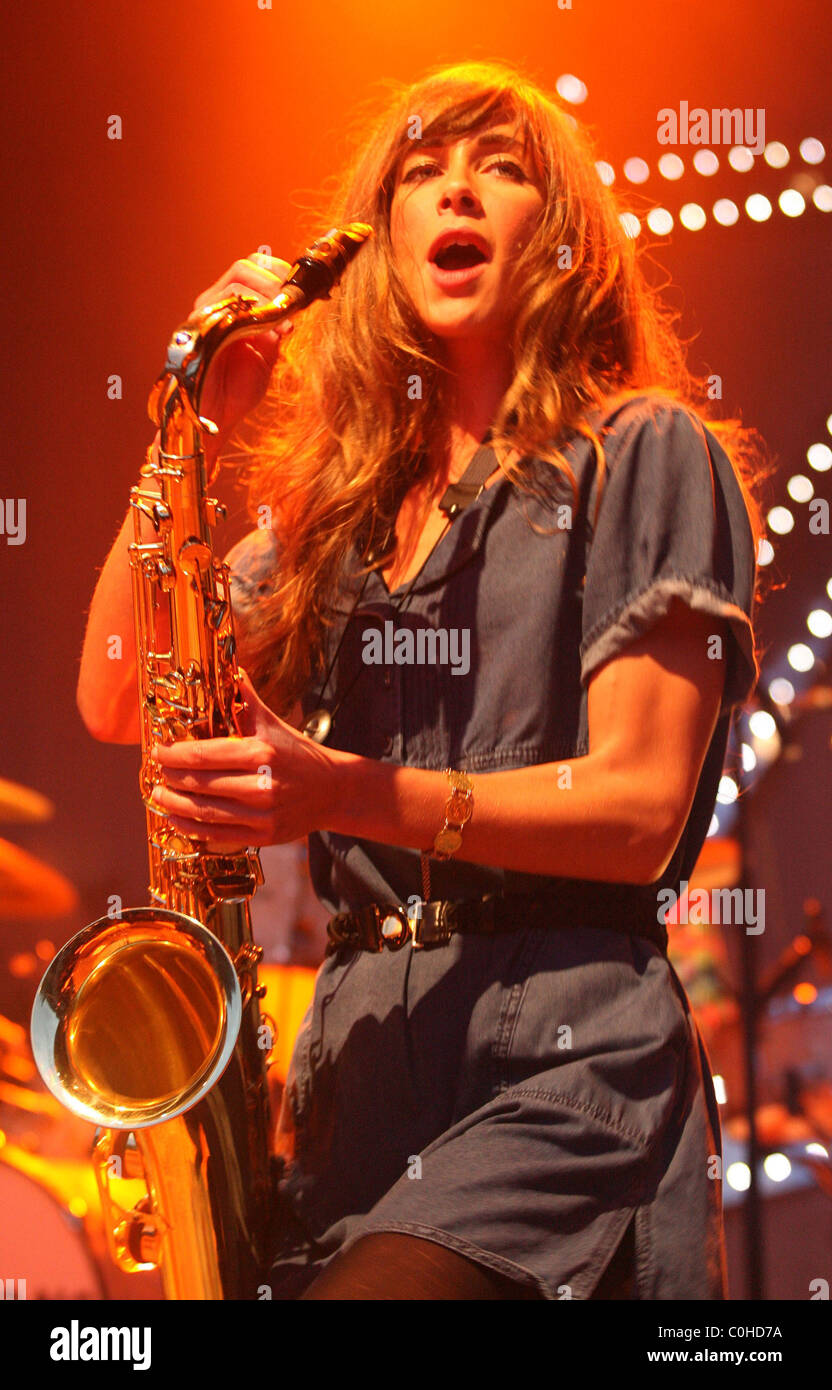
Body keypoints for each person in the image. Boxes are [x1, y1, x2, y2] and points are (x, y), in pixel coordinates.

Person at [77, 61, 765, 1300]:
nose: (457, 190)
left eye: (500, 168)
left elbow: (638, 808)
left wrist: (337, 790)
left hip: (559, 1069)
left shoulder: (645, 453)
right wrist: (185, 428)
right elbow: (117, 693)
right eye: (421, 171)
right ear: (382, 236)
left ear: (559, 238)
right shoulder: (336, 520)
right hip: (357, 1080)